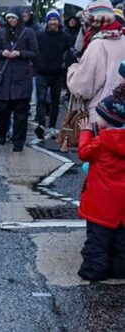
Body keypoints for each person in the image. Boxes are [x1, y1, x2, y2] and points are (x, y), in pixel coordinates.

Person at [76, 83, 125, 281]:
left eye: (100, 115)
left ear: (109, 119)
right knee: (121, 242)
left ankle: (93, 270)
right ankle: (120, 270)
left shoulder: (102, 142)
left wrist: (85, 132)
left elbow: (84, 153)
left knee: (98, 241)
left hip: (101, 203)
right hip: (122, 205)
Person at [68, 0, 125, 123]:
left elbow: (82, 88)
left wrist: (73, 70)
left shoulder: (97, 45)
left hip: (102, 115)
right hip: (122, 113)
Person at [0, 6, 38, 152]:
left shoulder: (28, 33)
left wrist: (20, 53)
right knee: (3, 110)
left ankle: (18, 142)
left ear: (18, 18)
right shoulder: (2, 33)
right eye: (8, 18)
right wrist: (2, 52)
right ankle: (2, 132)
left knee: (21, 113)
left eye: (13, 17)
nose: (11, 20)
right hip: (6, 78)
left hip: (22, 77)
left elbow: (34, 52)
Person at [33, 10, 71, 140]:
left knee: (55, 102)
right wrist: (37, 64)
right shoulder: (39, 36)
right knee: (41, 100)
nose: (53, 22)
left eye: (55, 20)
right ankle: (41, 125)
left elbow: (69, 53)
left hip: (57, 73)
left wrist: (65, 65)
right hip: (41, 72)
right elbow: (34, 51)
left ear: (58, 21)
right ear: (47, 22)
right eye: (51, 20)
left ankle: (53, 126)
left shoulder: (65, 37)